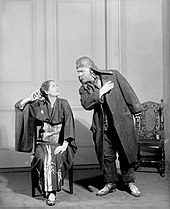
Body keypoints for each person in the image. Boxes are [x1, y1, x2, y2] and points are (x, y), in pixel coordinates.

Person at [76, 56, 141, 197]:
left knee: (125, 153)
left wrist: (137, 112)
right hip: (102, 127)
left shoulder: (113, 75)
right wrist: (100, 92)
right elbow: (86, 104)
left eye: (81, 71)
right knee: (106, 156)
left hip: (121, 123)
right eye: (78, 72)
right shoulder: (84, 89)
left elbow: (128, 92)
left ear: (91, 69)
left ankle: (130, 182)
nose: (79, 75)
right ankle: (109, 182)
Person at [15, 80, 77, 206]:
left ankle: (51, 191)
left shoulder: (64, 103)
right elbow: (19, 106)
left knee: (56, 157)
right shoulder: (39, 104)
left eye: (57, 85)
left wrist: (65, 144)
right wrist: (29, 98)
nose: (57, 87)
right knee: (45, 158)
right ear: (47, 91)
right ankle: (50, 190)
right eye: (54, 86)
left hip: (61, 143)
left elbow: (69, 122)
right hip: (42, 143)